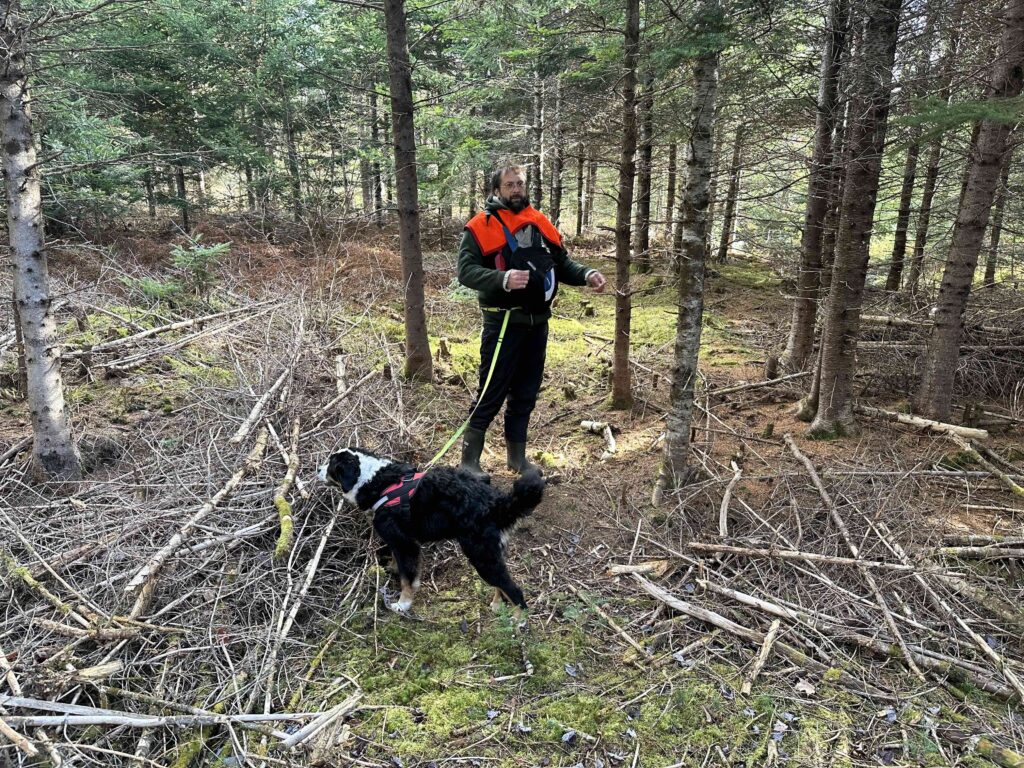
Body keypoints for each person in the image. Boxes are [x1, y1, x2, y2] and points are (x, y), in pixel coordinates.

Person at [456, 165, 606, 478]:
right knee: (492, 390)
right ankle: (469, 463)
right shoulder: (480, 226)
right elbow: (466, 272)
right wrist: (503, 279)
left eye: (520, 184)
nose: (516, 189)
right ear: (497, 190)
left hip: (538, 324)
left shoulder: (539, 222)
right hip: (503, 324)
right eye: (509, 184)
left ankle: (517, 460)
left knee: (526, 391)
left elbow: (561, 263)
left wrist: (587, 274)